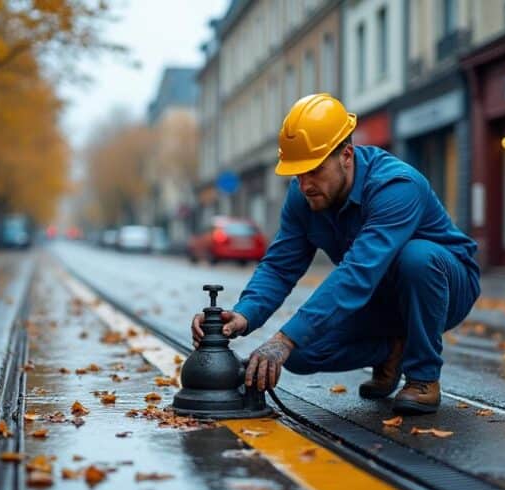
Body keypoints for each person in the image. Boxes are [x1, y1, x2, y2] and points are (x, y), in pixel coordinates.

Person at [191, 94, 480, 414]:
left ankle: (422, 376)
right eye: (297, 174)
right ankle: (391, 349)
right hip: (378, 295)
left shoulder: (396, 185)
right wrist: (244, 315)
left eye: (314, 171)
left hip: (445, 287)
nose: (304, 185)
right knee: (301, 351)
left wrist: (285, 338)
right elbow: (279, 266)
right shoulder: (303, 196)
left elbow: (358, 272)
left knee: (417, 257)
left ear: (346, 155)